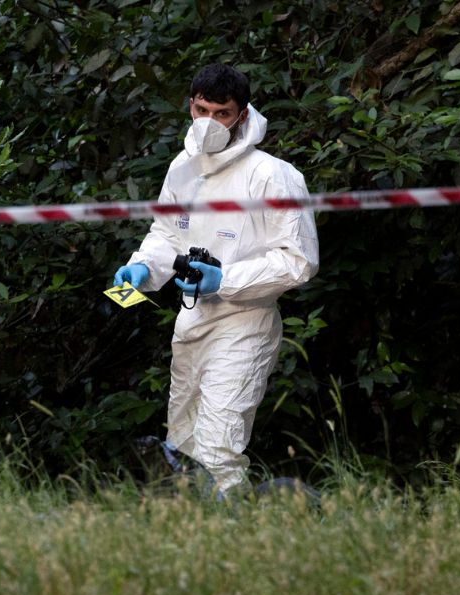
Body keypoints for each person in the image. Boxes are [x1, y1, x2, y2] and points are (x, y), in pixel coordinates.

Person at [113, 63, 319, 497]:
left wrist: (223, 280)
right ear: (190, 105)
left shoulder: (272, 175)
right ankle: (188, 541)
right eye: (201, 110)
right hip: (191, 323)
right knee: (181, 443)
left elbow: (299, 261)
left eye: (221, 113)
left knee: (218, 444)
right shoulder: (182, 169)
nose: (209, 123)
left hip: (245, 323)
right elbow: (167, 234)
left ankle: (231, 546)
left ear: (242, 114)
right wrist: (143, 268)